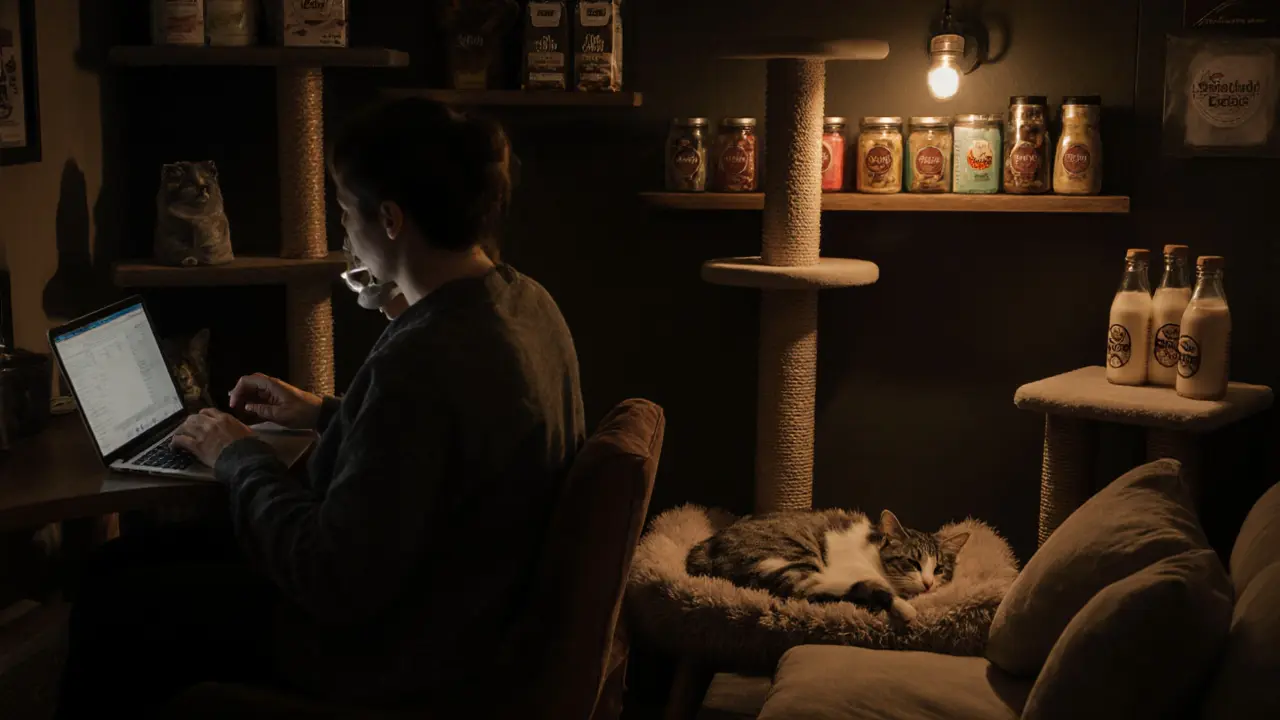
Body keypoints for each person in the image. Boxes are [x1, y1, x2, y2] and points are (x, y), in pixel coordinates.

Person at [56, 98, 585, 715]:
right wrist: (327, 413)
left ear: (389, 219)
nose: (344, 236)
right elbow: (449, 451)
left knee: (115, 596)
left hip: (390, 652)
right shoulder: (527, 303)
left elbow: (328, 574)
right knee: (130, 562)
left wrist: (239, 456)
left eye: (343, 213)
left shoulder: (426, 358)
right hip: (461, 608)